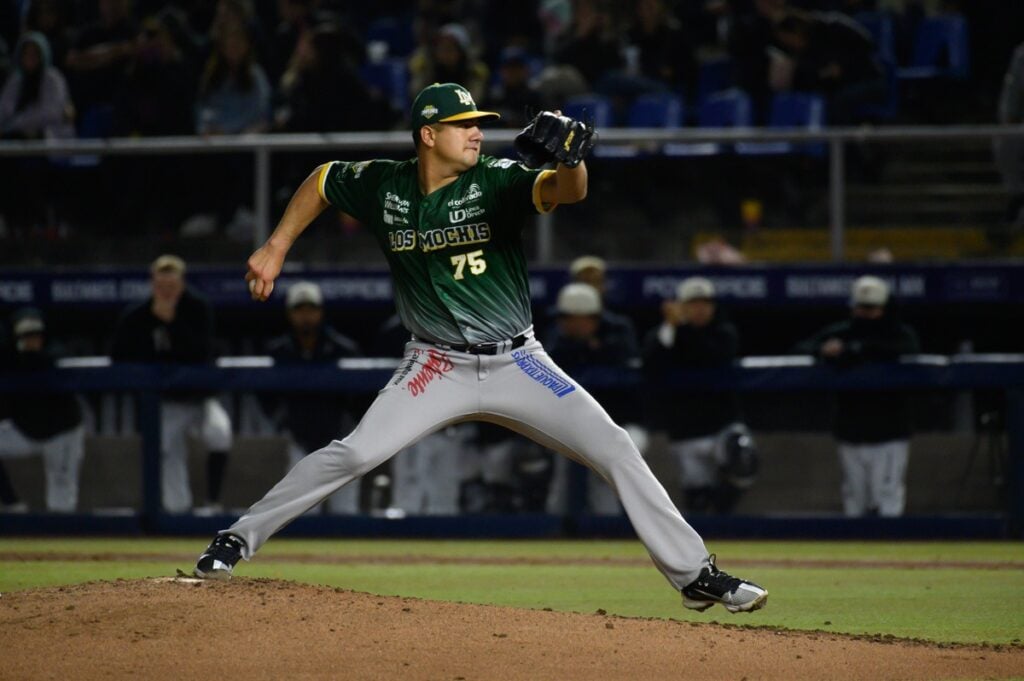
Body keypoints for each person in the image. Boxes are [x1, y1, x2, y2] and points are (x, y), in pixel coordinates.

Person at [194, 81, 767, 615]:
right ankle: (236, 539)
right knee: (355, 454)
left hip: (518, 361)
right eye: (463, 124)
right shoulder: (384, 186)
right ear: (427, 134)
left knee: (615, 448)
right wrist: (275, 246)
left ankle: (695, 575)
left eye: (478, 123)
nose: (476, 132)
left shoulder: (494, 178)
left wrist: (571, 159)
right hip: (433, 364)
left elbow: (564, 192)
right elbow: (322, 179)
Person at [111, 254, 234, 515]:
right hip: (165, 401)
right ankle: (177, 512)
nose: (166, 291)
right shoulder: (139, 314)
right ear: (153, 284)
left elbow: (201, 353)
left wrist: (172, 322)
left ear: (181, 284)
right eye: (161, 286)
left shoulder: (197, 307)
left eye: (172, 286)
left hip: (201, 397)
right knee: (167, 451)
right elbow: (118, 354)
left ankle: (213, 502)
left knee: (220, 433)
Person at [793, 275, 920, 517]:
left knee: (887, 498)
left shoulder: (898, 334)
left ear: (885, 307)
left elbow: (908, 349)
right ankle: (859, 555)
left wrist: (857, 351)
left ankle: (892, 551)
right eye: (861, 307)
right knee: (855, 500)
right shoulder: (842, 332)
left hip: (890, 432)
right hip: (850, 430)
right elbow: (801, 349)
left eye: (872, 308)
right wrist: (825, 351)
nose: (865, 313)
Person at [642, 277, 756, 514]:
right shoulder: (664, 334)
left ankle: (728, 521)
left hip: (722, 426)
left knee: (741, 456)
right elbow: (652, 361)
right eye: (693, 303)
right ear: (680, 305)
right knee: (697, 495)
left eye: (705, 302)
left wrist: (681, 327)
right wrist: (673, 327)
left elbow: (708, 355)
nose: (700, 308)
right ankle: (703, 539)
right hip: (685, 429)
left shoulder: (724, 332)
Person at [264, 281, 362, 513]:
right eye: (300, 310)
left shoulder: (343, 349)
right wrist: (281, 421)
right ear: (290, 314)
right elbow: (266, 395)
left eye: (311, 309)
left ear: (320, 312)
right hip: (299, 441)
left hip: (341, 441)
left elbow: (360, 397)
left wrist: (352, 428)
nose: (306, 316)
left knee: (346, 513)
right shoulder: (279, 351)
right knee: (301, 514)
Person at [0, 308, 85, 513]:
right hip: (25, 430)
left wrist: (27, 356)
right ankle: (12, 504)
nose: (31, 341)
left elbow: (45, 360)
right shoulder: (9, 355)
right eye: (25, 336)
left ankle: (63, 540)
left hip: (62, 434)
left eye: (35, 335)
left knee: (61, 503)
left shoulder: (54, 352)